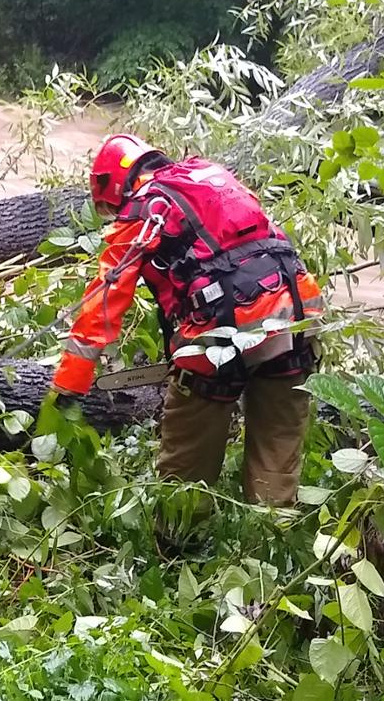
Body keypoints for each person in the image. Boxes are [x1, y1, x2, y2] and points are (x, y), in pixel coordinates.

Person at [47, 134, 324, 543]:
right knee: (278, 452)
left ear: (114, 186)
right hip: (297, 313)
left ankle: (179, 548)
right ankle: (272, 549)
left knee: (186, 463)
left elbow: (104, 300)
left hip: (223, 332)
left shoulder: (143, 209)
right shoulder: (210, 176)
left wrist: (70, 384)